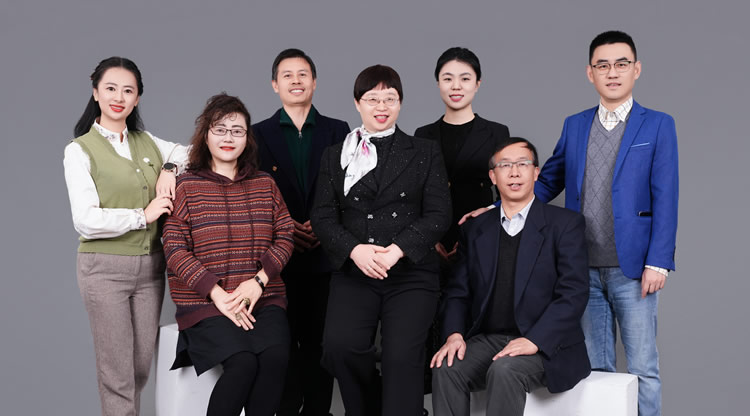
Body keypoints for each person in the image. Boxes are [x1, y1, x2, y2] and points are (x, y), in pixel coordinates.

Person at [459, 31, 678, 416]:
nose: (612, 72)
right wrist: (495, 211)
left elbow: (666, 194)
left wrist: (658, 262)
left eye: (621, 64)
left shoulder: (658, 124)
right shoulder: (575, 125)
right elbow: (546, 181)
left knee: (643, 367)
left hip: (634, 267)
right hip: (580, 268)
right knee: (597, 370)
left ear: (637, 69)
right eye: (602, 65)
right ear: (590, 73)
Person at [310, 64, 451, 416]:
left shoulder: (424, 151)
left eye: (390, 98)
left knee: (401, 357)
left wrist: (398, 250)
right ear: (357, 103)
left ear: (400, 103)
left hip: (410, 273)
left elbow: (439, 214)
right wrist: (355, 250)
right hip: (355, 270)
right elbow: (322, 217)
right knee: (339, 348)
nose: (381, 106)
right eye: (372, 99)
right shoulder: (335, 155)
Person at [63, 56, 188, 416]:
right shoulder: (79, 150)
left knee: (140, 367)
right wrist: (142, 215)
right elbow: (85, 220)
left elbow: (192, 151)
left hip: (150, 268)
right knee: (117, 373)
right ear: (95, 92)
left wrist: (169, 167)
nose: (119, 97)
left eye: (128, 91)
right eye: (111, 88)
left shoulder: (146, 142)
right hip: (104, 269)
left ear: (137, 98)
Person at [431, 138, 591, 416]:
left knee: (505, 370)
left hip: (547, 343)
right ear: (493, 177)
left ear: (536, 172)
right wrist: (454, 334)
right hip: (490, 338)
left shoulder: (565, 224)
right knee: (446, 367)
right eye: (505, 166)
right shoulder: (475, 229)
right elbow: (458, 292)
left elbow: (573, 293)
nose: (514, 172)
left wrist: (536, 340)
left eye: (522, 164)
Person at [163, 93, 295, 416]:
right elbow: (174, 248)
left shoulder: (265, 184)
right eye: (220, 129)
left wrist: (258, 283)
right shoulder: (186, 186)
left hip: (262, 299)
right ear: (206, 135)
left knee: (276, 358)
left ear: (247, 138)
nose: (228, 138)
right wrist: (217, 294)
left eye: (237, 131)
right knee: (243, 364)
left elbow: (286, 235)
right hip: (207, 304)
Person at [253, 48, 350, 416]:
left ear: (315, 82)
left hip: (326, 257)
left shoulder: (338, 130)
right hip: (277, 261)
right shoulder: (257, 134)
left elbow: (350, 188)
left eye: (303, 74)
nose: (296, 81)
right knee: (281, 345)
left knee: (321, 345)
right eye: (287, 75)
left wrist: (323, 224)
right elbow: (250, 193)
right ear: (274, 84)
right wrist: (285, 226)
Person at [414, 46, 509, 262]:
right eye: (447, 79)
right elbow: (415, 194)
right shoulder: (423, 134)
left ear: (477, 84)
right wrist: (426, 238)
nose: (456, 86)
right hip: (433, 238)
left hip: (481, 234)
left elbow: (506, 192)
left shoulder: (497, 132)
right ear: (438, 83)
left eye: (465, 79)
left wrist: (485, 228)